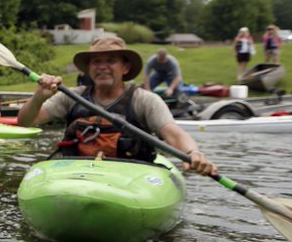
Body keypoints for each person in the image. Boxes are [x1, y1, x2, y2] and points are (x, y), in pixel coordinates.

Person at [17, 35, 217, 175]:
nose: (102, 67)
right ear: (89, 68)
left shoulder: (145, 100)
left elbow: (173, 133)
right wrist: (39, 97)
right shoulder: (71, 96)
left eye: (110, 61)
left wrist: (192, 153)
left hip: (131, 176)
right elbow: (26, 121)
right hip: (76, 174)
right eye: (96, 61)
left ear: (125, 67)